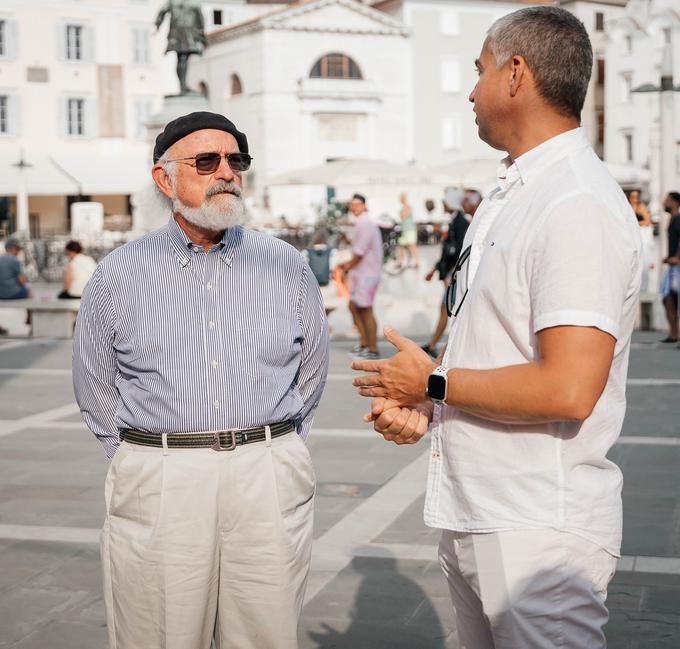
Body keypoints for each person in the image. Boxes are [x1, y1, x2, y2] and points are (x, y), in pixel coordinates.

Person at [352, 7, 642, 649]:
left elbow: (568, 387)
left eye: (478, 70)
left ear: (517, 75)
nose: (470, 89)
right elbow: (496, 350)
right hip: (485, 508)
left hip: (537, 525)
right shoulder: (517, 193)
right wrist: (427, 399)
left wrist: (431, 381)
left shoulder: (574, 203)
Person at [72, 111, 329, 649]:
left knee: (267, 635)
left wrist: (273, 451)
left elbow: (312, 374)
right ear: (165, 179)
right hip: (162, 475)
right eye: (207, 161)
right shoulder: (119, 273)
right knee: (157, 636)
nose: (226, 172)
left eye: (236, 160)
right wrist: (143, 456)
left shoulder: (285, 265)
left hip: (265, 474)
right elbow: (94, 385)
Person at [421, 188, 470, 359]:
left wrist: (451, 274)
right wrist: (434, 270)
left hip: (454, 276)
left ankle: (436, 345)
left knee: (447, 309)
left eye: (445, 201)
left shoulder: (460, 223)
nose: (442, 203)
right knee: (445, 309)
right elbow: (448, 251)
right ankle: (434, 344)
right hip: (452, 275)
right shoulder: (455, 221)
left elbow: (460, 252)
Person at [337, 194, 383, 359]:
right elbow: (359, 248)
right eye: (352, 204)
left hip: (367, 274)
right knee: (354, 306)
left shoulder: (365, 224)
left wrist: (346, 267)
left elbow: (359, 253)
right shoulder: (362, 224)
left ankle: (372, 347)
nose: (353, 207)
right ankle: (365, 343)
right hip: (363, 273)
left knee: (366, 309)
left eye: (357, 204)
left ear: (364, 206)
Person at [155, 0, 206, 95]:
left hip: (179, 33)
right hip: (186, 33)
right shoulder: (193, 2)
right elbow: (200, 19)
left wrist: (158, 24)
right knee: (183, 59)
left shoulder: (174, 2)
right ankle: (183, 85)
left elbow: (162, 12)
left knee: (182, 59)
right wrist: (202, 34)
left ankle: (183, 85)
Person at [660, 191, 680, 343]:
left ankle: (675, 335)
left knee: (672, 298)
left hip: (677, 266)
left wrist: (677, 257)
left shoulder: (678, 219)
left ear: (674, 203)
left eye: (667, 200)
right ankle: (674, 335)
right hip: (673, 266)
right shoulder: (672, 219)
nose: (664, 203)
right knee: (668, 299)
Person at [396, 193, 419, 269]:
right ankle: (401, 262)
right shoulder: (403, 208)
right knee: (401, 245)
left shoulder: (408, 207)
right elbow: (401, 216)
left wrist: (402, 212)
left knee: (412, 246)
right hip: (404, 229)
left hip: (410, 230)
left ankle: (417, 262)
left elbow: (403, 216)